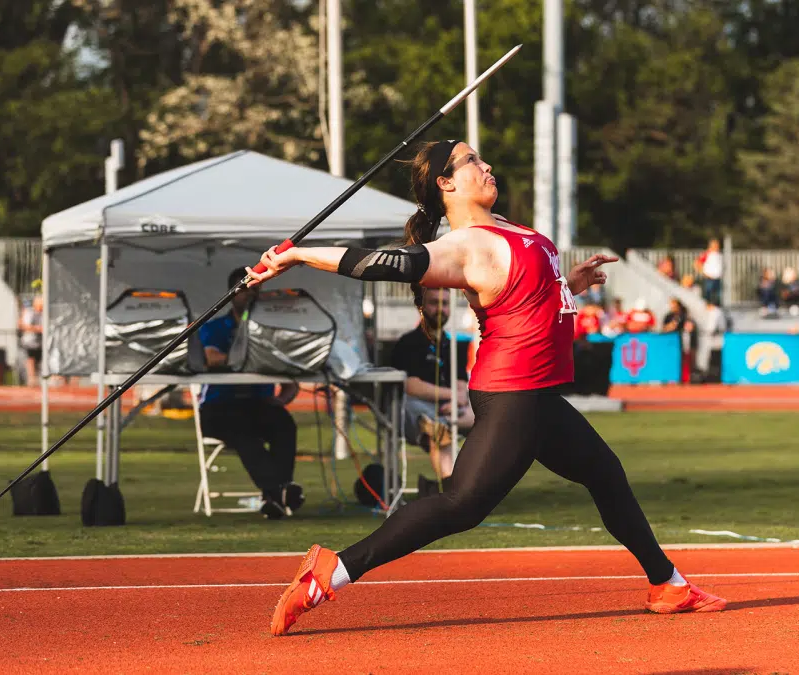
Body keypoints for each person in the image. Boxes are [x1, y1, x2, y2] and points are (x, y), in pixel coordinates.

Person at [247, 139, 726, 636]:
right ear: (446, 183)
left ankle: (667, 584)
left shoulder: (512, 230)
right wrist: (299, 254)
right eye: (472, 160)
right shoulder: (461, 247)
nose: (487, 165)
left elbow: (525, 292)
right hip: (514, 391)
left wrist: (570, 285)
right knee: (462, 504)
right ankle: (332, 571)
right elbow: (384, 264)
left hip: (536, 392)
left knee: (605, 474)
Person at [197, 267, 302, 520]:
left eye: (256, 289)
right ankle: (278, 491)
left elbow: (290, 379)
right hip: (220, 407)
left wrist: (281, 400)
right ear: (232, 294)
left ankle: (275, 496)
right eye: (245, 289)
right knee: (244, 433)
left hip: (258, 404)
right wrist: (252, 359)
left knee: (284, 424)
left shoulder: (270, 330)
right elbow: (212, 358)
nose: (251, 295)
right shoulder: (216, 327)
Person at [391, 285, 475, 491]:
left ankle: (454, 488)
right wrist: (453, 397)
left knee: (492, 416)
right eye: (433, 303)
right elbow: (412, 386)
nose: (440, 309)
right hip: (417, 410)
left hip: (451, 409)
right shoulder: (408, 343)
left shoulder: (452, 345)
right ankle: (452, 489)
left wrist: (457, 401)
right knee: (437, 428)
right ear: (421, 307)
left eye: (445, 303)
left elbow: (461, 385)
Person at [18, 294, 44, 386]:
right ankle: (31, 379)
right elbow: (23, 325)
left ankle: (39, 379)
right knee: (31, 359)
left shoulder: (44, 313)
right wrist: (37, 329)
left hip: (41, 342)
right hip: (30, 341)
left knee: (41, 360)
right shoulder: (30, 312)